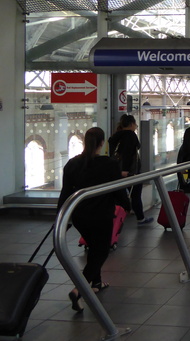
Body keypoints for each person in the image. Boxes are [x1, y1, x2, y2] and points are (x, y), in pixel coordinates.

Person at [57, 127, 130, 313]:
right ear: (101, 143)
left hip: (80, 216)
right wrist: (127, 206)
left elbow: (65, 193)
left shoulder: (72, 164)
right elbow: (118, 189)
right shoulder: (109, 164)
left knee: (94, 247)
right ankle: (78, 290)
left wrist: (61, 219)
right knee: (101, 251)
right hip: (101, 215)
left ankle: (96, 283)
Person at [108, 114, 153, 225]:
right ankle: (140, 218)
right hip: (130, 172)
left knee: (119, 196)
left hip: (116, 170)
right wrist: (125, 170)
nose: (136, 126)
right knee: (136, 195)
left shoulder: (115, 136)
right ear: (131, 124)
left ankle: (115, 218)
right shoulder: (130, 135)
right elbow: (128, 154)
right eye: (135, 124)